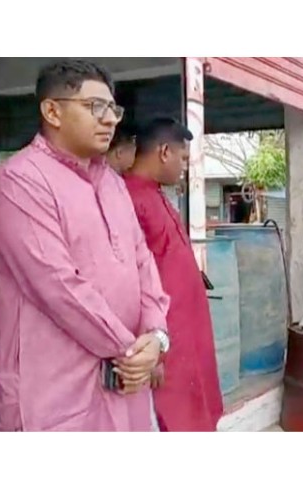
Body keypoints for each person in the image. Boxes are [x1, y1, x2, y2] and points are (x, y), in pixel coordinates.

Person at [0, 60, 170, 431]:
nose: (110, 120)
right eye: (95, 107)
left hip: (125, 383)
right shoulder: (19, 181)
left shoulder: (112, 182)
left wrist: (156, 335)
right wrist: (132, 352)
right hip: (55, 393)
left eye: (113, 109)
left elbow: (142, 261)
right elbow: (57, 286)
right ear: (52, 111)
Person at [123, 117, 223, 431]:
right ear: (164, 152)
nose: (184, 166)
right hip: (163, 342)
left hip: (186, 335)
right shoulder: (127, 199)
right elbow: (129, 282)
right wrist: (151, 346)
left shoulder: (155, 194)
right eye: (182, 157)